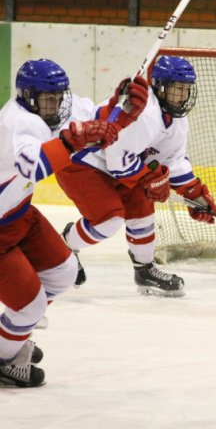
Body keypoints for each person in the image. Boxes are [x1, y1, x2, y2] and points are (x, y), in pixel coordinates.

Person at [55, 55, 216, 297]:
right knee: (108, 220)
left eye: (186, 89)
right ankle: (62, 247)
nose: (183, 96)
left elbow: (173, 160)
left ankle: (145, 270)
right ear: (161, 87)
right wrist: (149, 178)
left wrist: (195, 194)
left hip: (115, 165)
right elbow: (118, 160)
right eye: (177, 89)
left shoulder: (177, 119)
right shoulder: (145, 114)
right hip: (83, 161)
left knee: (142, 210)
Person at [0, 59, 120, 387]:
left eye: (57, 97)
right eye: (46, 98)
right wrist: (72, 141)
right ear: (27, 96)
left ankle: (12, 334)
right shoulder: (20, 123)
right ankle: (4, 356)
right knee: (30, 307)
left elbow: (92, 117)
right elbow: (34, 167)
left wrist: (121, 106)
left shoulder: (42, 113)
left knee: (63, 272)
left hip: (19, 212)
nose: (54, 105)